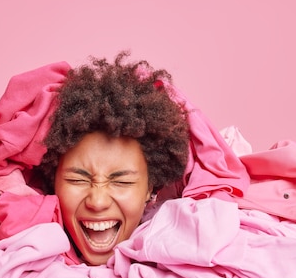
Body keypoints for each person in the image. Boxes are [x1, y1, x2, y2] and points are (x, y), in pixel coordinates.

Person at [34, 52, 191, 266]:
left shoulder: (183, 260)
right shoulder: (18, 259)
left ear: (149, 189)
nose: (97, 202)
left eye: (121, 182)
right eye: (77, 180)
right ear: (54, 183)